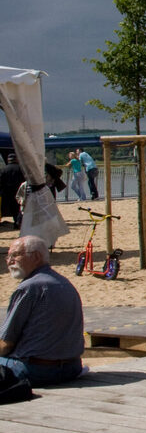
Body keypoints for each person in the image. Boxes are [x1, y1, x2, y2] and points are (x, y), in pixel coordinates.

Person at [0, 236, 84, 386]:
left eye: (16, 255)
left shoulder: (30, 287)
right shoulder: (64, 282)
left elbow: (6, 342)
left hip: (37, 370)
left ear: (36, 257)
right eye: (8, 256)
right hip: (72, 367)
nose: (9, 261)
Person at [0, 154, 24, 227]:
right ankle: (19, 221)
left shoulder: (4, 169)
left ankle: (16, 221)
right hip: (20, 190)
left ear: (8, 160)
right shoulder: (21, 168)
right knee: (20, 206)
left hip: (8, 192)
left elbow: (1, 181)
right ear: (16, 159)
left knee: (12, 207)